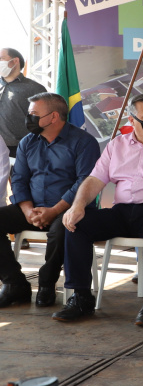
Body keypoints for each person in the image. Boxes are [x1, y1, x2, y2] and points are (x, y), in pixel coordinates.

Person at [54, 94, 143, 325]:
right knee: (76, 225)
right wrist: (77, 206)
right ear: (132, 120)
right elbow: (94, 179)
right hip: (123, 211)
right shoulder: (117, 145)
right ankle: (81, 297)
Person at [0, 93, 100, 308]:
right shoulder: (28, 142)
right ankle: (14, 283)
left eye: (34, 114)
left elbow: (85, 182)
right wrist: (27, 210)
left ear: (54, 117)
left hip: (71, 208)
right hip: (33, 207)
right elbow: (19, 179)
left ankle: (47, 283)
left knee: (61, 229)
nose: (28, 118)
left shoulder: (84, 142)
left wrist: (54, 210)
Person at [0, 48, 47, 157]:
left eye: (1, 58)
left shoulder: (34, 88)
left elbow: (43, 121)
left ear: (15, 61)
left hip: (19, 149)